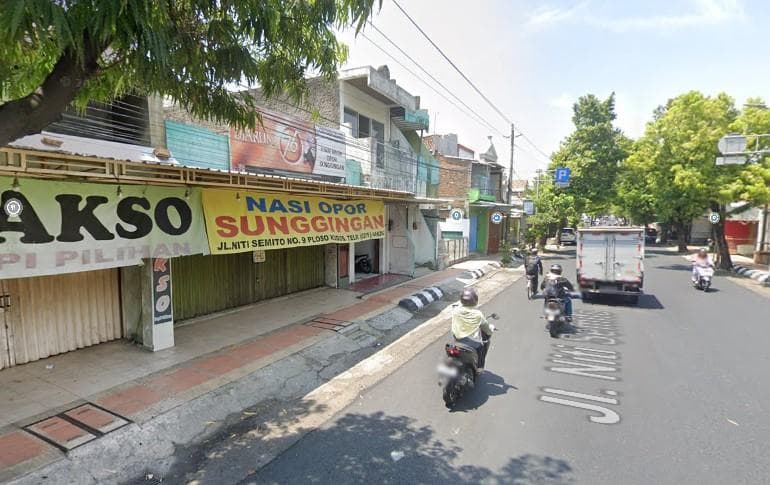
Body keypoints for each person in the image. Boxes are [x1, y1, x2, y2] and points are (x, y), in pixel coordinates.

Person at [451, 288, 494, 371]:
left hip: (457, 339)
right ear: (475, 300)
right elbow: (487, 330)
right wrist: (490, 330)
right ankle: (479, 367)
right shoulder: (478, 314)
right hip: (470, 342)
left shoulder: (456, 310)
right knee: (482, 346)